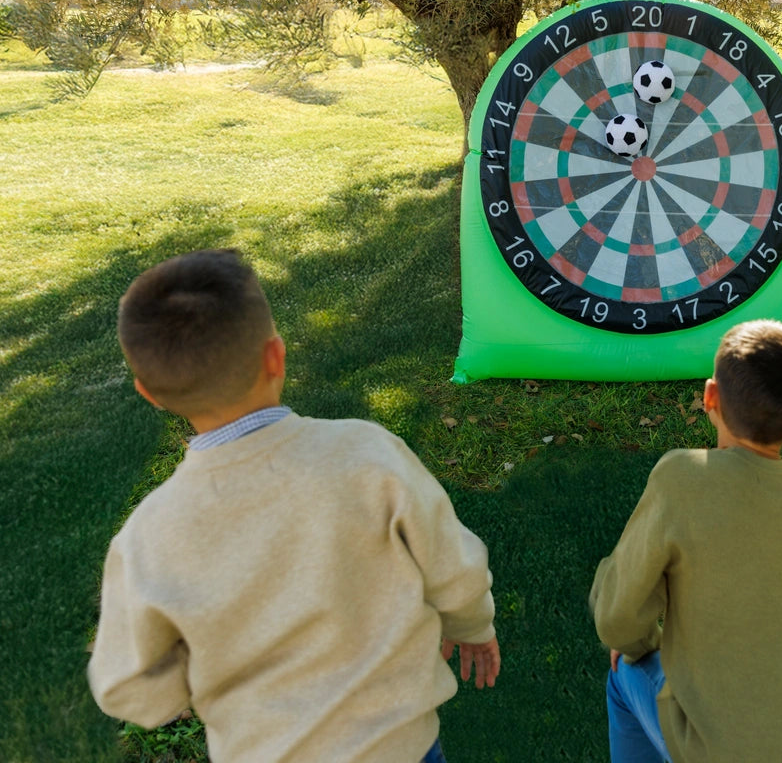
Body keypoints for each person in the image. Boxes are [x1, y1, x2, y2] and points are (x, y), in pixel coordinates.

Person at [88, 249, 500, 763]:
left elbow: (127, 685)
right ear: (276, 356)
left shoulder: (147, 536)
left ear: (150, 394)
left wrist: (181, 690)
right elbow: (453, 567)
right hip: (401, 749)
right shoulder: (367, 454)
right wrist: (472, 627)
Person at [589, 319, 782, 763]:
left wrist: (638, 646)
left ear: (709, 396)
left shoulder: (681, 479)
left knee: (624, 673)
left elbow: (618, 618)